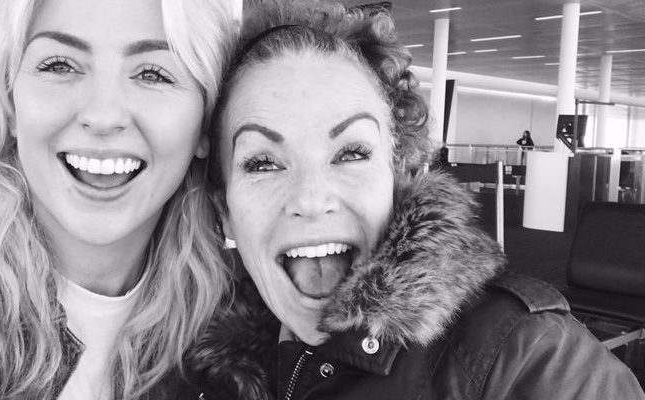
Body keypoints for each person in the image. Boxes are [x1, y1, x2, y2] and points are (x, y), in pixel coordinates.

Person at [183, 1, 645, 399]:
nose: (311, 198)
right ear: (224, 212)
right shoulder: (190, 359)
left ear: (399, 177)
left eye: (351, 153)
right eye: (263, 163)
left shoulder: (525, 358)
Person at [0, 0, 237, 398]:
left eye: (153, 74)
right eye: (60, 66)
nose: (103, 116)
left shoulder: (234, 312)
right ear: (11, 104)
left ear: (206, 124)